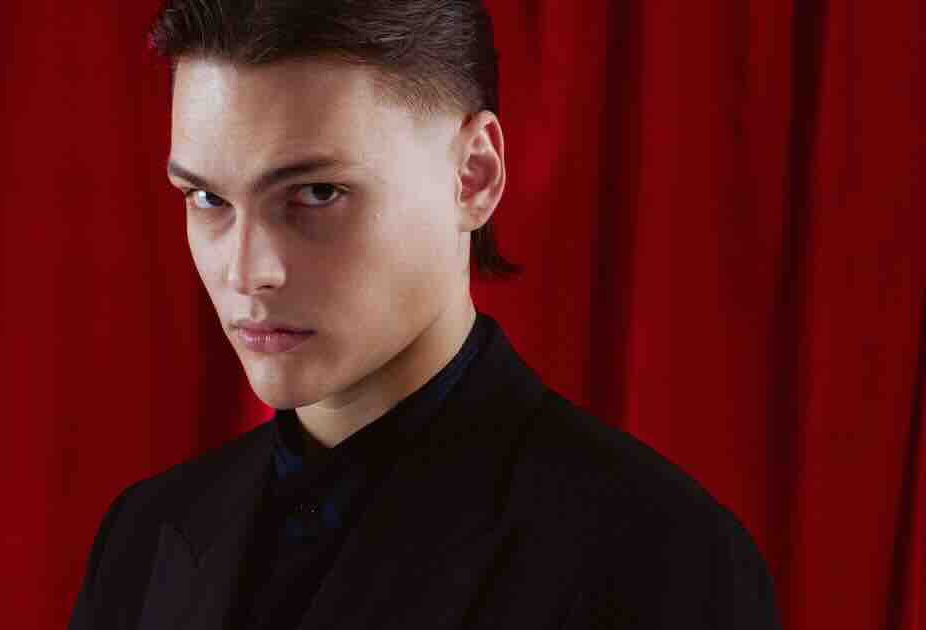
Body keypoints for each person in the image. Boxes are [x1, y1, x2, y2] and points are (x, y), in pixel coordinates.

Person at [68, 1, 781, 628]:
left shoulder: (659, 559)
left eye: (317, 193)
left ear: (474, 176)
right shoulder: (145, 537)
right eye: (208, 199)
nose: (246, 271)